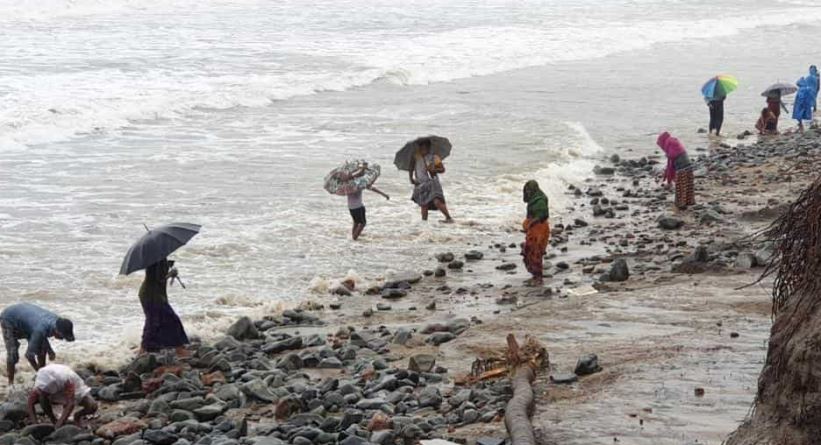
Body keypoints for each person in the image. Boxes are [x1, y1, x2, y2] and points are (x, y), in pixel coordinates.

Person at [0, 303, 74, 385]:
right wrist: (39, 371)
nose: (63, 339)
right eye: (63, 336)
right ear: (56, 331)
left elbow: (42, 336)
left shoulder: (58, 321)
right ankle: (10, 383)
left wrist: (50, 351)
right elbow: (29, 355)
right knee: (13, 353)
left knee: (42, 349)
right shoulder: (40, 329)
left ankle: (41, 377)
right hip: (9, 319)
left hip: (28, 320)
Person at [139, 259, 189, 356]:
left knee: (154, 321)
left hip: (153, 294)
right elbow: (158, 278)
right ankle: (179, 349)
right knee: (169, 320)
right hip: (152, 295)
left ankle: (147, 348)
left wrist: (168, 265)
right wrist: (170, 274)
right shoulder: (156, 259)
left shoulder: (159, 257)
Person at [27, 364, 97, 427]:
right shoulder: (40, 384)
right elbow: (30, 403)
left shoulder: (66, 379)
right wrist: (35, 424)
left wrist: (59, 425)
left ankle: (77, 416)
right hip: (52, 389)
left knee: (92, 406)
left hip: (67, 382)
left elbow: (70, 403)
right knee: (42, 398)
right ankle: (53, 419)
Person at [409, 138, 453, 223]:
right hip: (420, 183)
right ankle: (424, 223)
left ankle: (448, 218)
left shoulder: (434, 157)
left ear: (429, 147)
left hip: (432, 182)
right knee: (424, 204)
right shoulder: (415, 156)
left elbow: (442, 169)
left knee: (437, 201)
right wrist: (411, 178)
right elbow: (411, 167)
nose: (423, 150)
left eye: (426, 148)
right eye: (421, 148)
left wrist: (433, 170)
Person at [341, 162, 389, 240]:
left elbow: (353, 176)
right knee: (363, 223)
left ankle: (353, 237)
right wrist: (362, 168)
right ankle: (354, 238)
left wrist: (361, 168)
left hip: (351, 207)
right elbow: (372, 188)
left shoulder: (348, 183)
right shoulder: (359, 183)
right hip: (358, 207)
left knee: (356, 222)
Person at [521, 180, 550, 286]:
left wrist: (530, 223)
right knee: (528, 251)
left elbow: (542, 215)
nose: (527, 192)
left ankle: (538, 277)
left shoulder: (540, 200)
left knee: (536, 252)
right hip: (533, 230)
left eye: (529, 190)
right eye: (526, 190)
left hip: (540, 229)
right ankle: (535, 275)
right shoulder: (533, 199)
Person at [657, 131, 695, 209]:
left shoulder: (669, 142)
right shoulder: (672, 140)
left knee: (681, 185)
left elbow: (672, 155)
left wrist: (668, 155)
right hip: (687, 164)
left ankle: (681, 204)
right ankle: (689, 201)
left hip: (682, 166)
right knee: (687, 184)